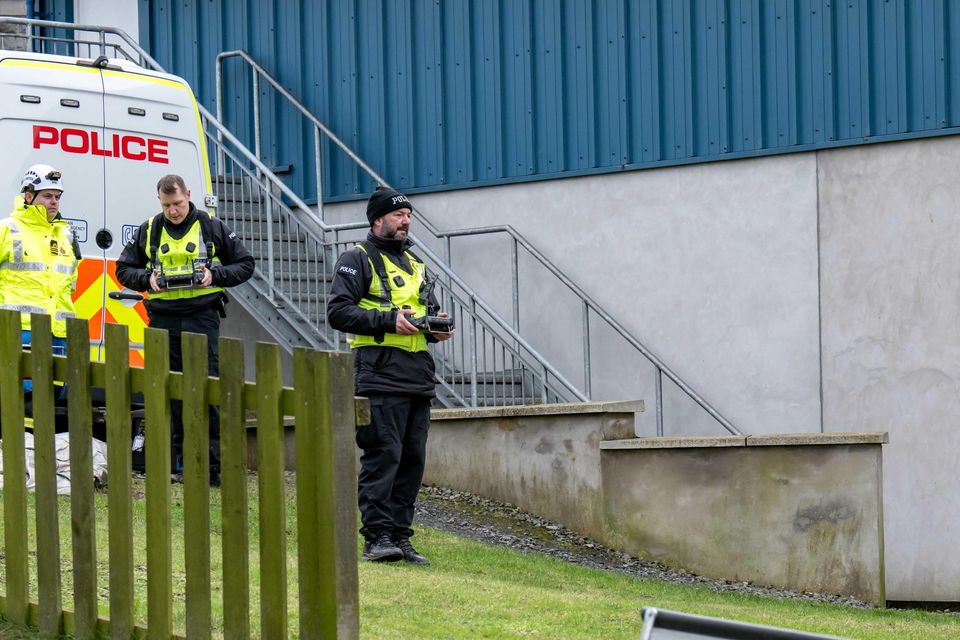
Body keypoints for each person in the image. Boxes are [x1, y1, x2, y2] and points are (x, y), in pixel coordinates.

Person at [327, 185, 453, 565]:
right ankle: (377, 537)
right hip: (378, 374)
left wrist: (438, 327)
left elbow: (426, 312)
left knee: (412, 460)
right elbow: (338, 312)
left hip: (417, 376)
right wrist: (387, 321)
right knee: (384, 455)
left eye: (408, 216)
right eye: (398, 216)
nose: (406, 221)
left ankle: (400, 536)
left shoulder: (416, 265)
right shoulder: (356, 258)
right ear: (377, 219)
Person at [116, 174, 254, 486]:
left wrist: (214, 275)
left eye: (178, 203)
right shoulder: (149, 229)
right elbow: (123, 269)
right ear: (159, 201)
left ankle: (214, 472)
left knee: (207, 391)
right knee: (173, 394)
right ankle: (185, 468)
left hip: (201, 317)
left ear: (188, 195)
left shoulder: (210, 226)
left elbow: (245, 264)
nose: (174, 211)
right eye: (167, 205)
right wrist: (146, 280)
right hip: (163, 318)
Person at [0, 164, 80, 392]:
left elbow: (69, 285)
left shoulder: (65, 235)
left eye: (57, 196)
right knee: (22, 403)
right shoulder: (8, 229)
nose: (54, 201)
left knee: (54, 405)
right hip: (22, 331)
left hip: (59, 333)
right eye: (47, 196)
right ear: (28, 196)